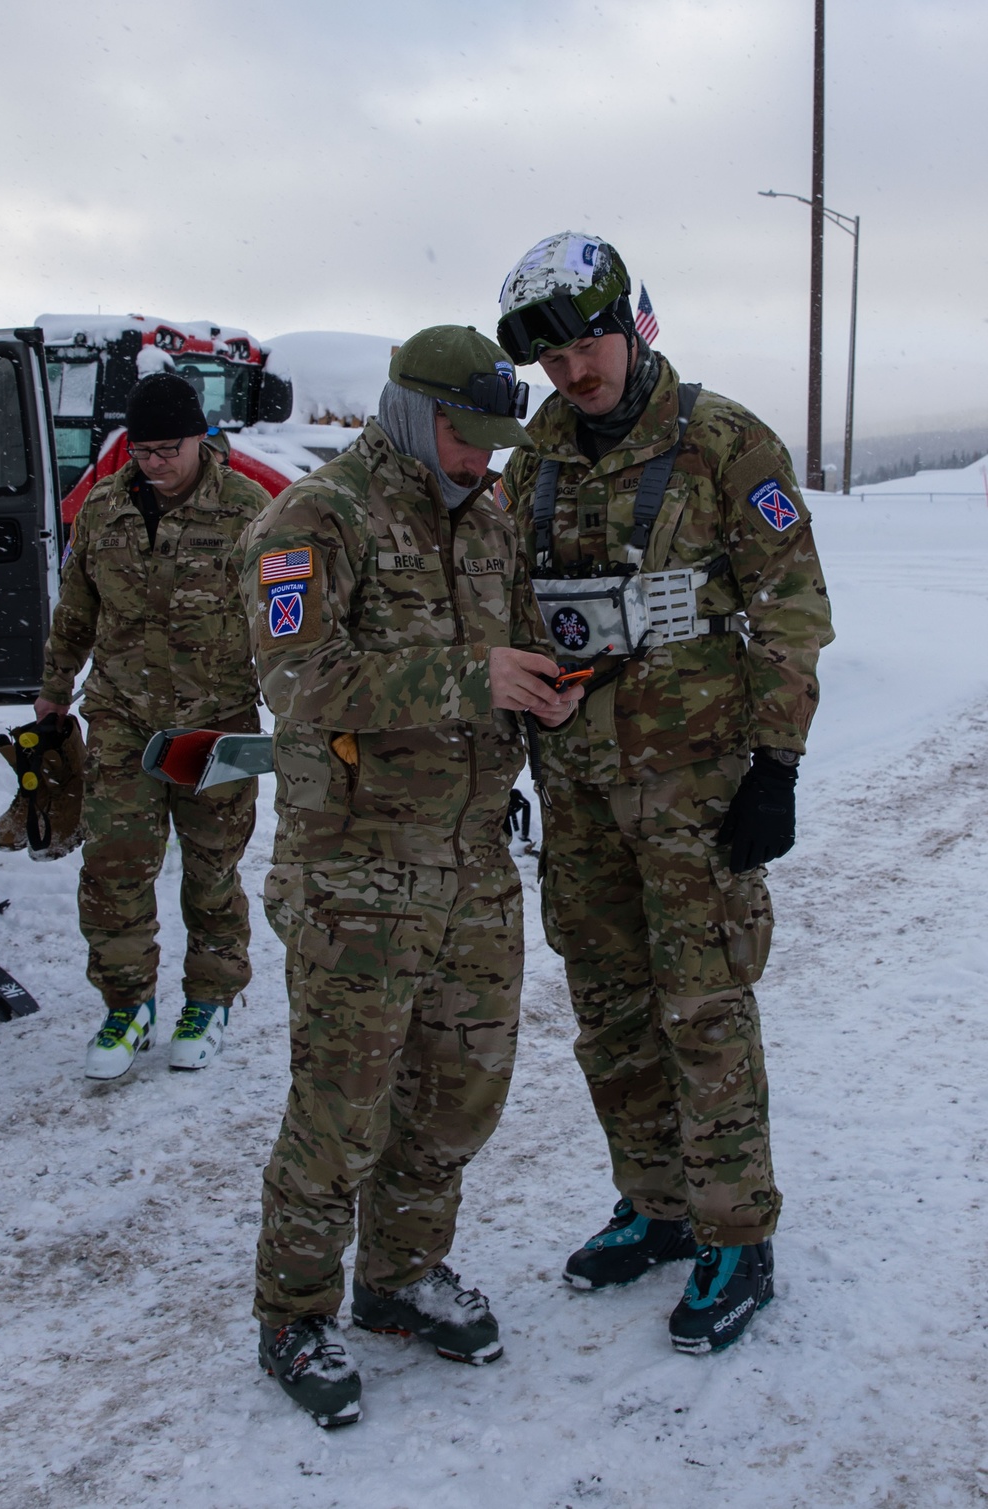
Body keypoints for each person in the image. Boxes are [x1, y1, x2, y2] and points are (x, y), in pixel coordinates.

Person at [495, 231, 834, 1354]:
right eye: (550, 353)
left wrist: (775, 768)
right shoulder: (532, 458)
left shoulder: (723, 443)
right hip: (579, 786)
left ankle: (735, 1229)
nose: (573, 369)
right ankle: (655, 1202)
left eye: (587, 340)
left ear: (629, 322)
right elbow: (502, 604)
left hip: (694, 789)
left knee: (703, 1006)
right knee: (610, 1010)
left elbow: (791, 610)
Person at [240, 324, 581, 1428]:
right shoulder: (313, 519)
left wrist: (541, 685)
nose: (483, 460)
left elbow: (508, 652)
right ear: (405, 413)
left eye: (493, 441)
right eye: (465, 437)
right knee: (342, 1113)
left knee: (457, 1097)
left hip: (474, 863)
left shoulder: (485, 522)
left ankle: (398, 1277)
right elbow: (300, 679)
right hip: (356, 880)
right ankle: (293, 1311)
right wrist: (470, 676)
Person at [34, 372, 269, 1080]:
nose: (156, 462)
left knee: (211, 868)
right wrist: (53, 693)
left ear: (202, 438)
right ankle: (128, 1003)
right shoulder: (102, 511)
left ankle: (211, 996)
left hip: (215, 725)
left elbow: (288, 620)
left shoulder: (250, 512)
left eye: (169, 448)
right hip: (121, 718)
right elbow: (76, 610)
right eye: (143, 451)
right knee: (112, 869)